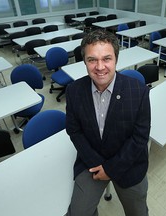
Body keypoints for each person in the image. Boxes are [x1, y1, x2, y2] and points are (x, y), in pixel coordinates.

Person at [65, 29, 151, 216]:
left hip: (129, 164)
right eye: (92, 60)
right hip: (91, 162)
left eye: (106, 58)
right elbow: (74, 131)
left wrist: (111, 169)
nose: (100, 66)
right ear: (84, 62)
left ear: (116, 60)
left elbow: (140, 137)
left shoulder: (139, 91)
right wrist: (98, 165)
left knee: (138, 212)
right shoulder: (73, 91)